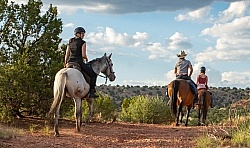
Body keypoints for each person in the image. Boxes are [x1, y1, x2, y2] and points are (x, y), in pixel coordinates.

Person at [64, 27, 98, 98]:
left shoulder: (70, 42)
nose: (83, 35)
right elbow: (83, 55)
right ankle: (92, 92)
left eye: (83, 34)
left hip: (70, 62)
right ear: (77, 34)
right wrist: (86, 58)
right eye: (82, 33)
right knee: (93, 75)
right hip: (78, 62)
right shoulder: (83, 43)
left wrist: (65, 63)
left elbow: (67, 54)